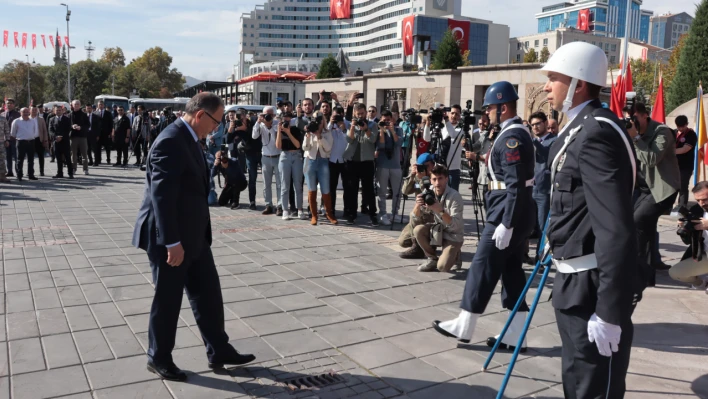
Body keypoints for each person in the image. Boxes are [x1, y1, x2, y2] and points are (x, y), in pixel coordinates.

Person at [132, 93, 256, 382]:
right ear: (200, 115)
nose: (219, 127)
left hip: (194, 234)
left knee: (208, 294)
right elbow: (162, 197)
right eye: (217, 120)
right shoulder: (171, 141)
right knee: (168, 299)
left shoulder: (189, 138)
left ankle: (219, 350)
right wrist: (171, 242)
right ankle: (158, 357)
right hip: (171, 239)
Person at [542, 42, 640, 398]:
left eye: (554, 77)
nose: (546, 86)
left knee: (593, 390)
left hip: (592, 287)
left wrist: (610, 310)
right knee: (577, 382)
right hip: (573, 284)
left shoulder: (596, 133)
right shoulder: (577, 130)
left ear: (578, 83)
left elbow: (615, 228)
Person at [432, 81, 535, 353]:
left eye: (490, 107)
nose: (486, 112)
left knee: (481, 265)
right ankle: (516, 335)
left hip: (506, 213)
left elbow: (514, 184)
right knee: (512, 274)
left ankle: (465, 324)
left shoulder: (513, 137)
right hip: (510, 211)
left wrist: (507, 223)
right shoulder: (510, 133)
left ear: (502, 107)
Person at [630, 102, 680, 286]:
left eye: (636, 118)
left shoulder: (662, 131)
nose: (633, 122)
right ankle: (647, 274)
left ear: (645, 115)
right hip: (643, 188)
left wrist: (635, 138)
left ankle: (638, 272)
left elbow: (651, 159)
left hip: (663, 189)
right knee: (645, 228)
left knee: (638, 221)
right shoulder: (632, 132)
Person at [410, 164, 464, 272]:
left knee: (443, 267)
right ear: (430, 180)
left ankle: (456, 254)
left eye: (440, 179)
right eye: (434, 179)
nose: (437, 183)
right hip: (437, 230)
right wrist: (418, 205)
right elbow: (415, 219)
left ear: (446, 179)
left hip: (452, 234)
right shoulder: (428, 193)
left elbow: (456, 225)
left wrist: (440, 210)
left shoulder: (455, 196)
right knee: (418, 230)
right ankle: (432, 258)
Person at [343, 103, 380, 225]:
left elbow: (373, 139)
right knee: (352, 189)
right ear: (354, 113)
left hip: (367, 162)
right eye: (358, 114)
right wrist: (353, 127)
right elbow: (349, 139)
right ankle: (352, 214)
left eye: (362, 114)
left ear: (365, 113)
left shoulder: (373, 125)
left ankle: (373, 214)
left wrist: (366, 129)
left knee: (368, 190)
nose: (360, 116)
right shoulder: (350, 124)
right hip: (352, 161)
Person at [669, 181, 708, 292]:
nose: (702, 203)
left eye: (705, 199)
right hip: (705, 254)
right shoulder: (697, 210)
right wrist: (685, 228)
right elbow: (688, 242)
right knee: (676, 272)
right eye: (698, 200)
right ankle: (702, 283)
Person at [303, 111, 337, 225]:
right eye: (315, 120)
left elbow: (328, 148)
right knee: (312, 189)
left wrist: (319, 136)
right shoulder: (309, 131)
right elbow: (305, 147)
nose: (318, 122)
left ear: (324, 121)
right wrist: (308, 135)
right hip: (310, 161)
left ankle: (329, 214)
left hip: (323, 162)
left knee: (326, 189)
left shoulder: (327, 133)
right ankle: (314, 215)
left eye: (320, 119)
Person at [398, 153, 436, 256]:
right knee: (403, 241)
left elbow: (429, 195)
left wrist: (423, 180)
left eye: (426, 166)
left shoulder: (437, 176)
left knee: (413, 215)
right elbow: (405, 191)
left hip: (432, 216)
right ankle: (422, 243)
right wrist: (412, 175)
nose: (423, 168)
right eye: (421, 166)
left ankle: (419, 248)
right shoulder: (418, 176)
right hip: (420, 213)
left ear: (433, 165)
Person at [423, 104, 464, 191]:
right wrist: (427, 124)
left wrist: (446, 119)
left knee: (452, 196)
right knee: (438, 196)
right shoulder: (441, 128)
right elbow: (426, 138)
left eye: (457, 114)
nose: (454, 116)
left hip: (453, 169)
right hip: (439, 167)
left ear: (460, 116)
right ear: (449, 114)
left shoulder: (460, 130)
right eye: (452, 113)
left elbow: (452, 134)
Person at [276, 112, 307, 220]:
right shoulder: (280, 130)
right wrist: (280, 131)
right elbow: (278, 146)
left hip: (296, 156)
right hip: (284, 156)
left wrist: (288, 132)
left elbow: (298, 145)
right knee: (284, 185)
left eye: (288, 120)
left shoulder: (295, 129)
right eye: (284, 120)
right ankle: (285, 209)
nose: (286, 122)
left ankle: (299, 209)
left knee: (298, 184)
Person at [376, 110, 404, 226]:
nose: (387, 122)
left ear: (392, 120)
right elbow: (381, 146)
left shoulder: (398, 129)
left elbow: (399, 144)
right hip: (382, 164)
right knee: (382, 191)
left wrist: (392, 131)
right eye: (384, 120)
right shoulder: (378, 131)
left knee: (397, 191)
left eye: (389, 120)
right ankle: (382, 213)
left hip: (396, 165)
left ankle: (395, 213)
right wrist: (382, 132)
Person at [253, 106, 282, 216]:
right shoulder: (260, 125)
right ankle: (268, 205)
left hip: (277, 156)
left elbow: (276, 141)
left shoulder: (277, 124)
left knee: (280, 184)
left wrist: (270, 125)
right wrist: (258, 122)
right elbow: (254, 136)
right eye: (265, 114)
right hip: (265, 157)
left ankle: (279, 205)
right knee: (266, 184)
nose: (267, 117)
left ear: (274, 115)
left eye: (269, 114)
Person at [328, 106, 350, 217]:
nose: (336, 117)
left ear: (342, 114)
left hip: (344, 160)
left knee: (347, 187)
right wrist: (331, 123)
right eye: (334, 115)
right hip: (332, 159)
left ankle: (347, 210)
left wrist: (344, 129)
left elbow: (349, 140)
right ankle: (331, 210)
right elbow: (326, 135)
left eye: (338, 115)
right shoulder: (330, 124)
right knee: (332, 187)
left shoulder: (347, 124)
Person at [10, 107, 39, 181]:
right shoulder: (16, 121)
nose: (26, 113)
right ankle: (19, 175)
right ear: (20, 113)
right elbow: (13, 133)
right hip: (21, 142)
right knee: (20, 159)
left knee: (31, 160)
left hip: (31, 142)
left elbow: (35, 132)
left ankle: (31, 175)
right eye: (24, 112)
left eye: (27, 111)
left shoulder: (33, 121)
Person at [674, 115, 697, 208]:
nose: (680, 128)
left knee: (682, 187)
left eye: (682, 126)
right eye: (678, 126)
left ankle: (682, 207)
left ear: (686, 124)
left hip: (685, 166)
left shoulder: (691, 134)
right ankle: (667, 207)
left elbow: (685, 149)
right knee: (672, 188)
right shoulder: (673, 132)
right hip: (673, 165)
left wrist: (669, 152)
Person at [50, 106, 74, 179]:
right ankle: (59, 173)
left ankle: (70, 173)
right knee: (58, 158)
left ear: (62, 111)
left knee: (68, 158)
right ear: (54, 111)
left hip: (65, 141)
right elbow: (50, 130)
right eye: (57, 110)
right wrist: (56, 137)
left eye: (60, 110)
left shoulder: (67, 119)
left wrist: (61, 137)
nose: (58, 111)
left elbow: (68, 129)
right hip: (56, 142)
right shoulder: (52, 119)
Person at [68, 100, 90, 175]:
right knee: (73, 154)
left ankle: (85, 169)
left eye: (78, 104)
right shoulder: (70, 115)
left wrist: (81, 127)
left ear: (80, 105)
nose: (76, 105)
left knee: (84, 154)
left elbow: (88, 125)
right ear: (72, 105)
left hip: (82, 136)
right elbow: (67, 125)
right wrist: (72, 126)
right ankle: (74, 168)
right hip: (73, 137)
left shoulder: (84, 115)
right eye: (75, 104)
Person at [2, 99, 21, 177]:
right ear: (5, 105)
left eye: (11, 103)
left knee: (16, 156)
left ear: (14, 105)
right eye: (7, 103)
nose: (9, 105)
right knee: (7, 156)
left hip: (14, 139)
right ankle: (9, 171)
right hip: (5, 139)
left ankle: (18, 172)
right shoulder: (2, 114)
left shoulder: (18, 114)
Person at [30, 106, 49, 177]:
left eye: (35, 110)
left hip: (39, 140)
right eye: (33, 110)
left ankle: (42, 171)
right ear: (30, 111)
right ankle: (30, 171)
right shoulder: (27, 119)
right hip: (30, 140)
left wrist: (45, 140)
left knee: (41, 156)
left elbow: (45, 131)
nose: (34, 111)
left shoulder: (41, 119)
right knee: (30, 157)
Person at [95, 101, 114, 165]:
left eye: (102, 104)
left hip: (106, 133)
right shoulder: (95, 113)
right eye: (99, 104)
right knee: (98, 147)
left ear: (104, 105)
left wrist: (111, 132)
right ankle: (98, 160)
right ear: (97, 105)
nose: (100, 106)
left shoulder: (108, 113)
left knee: (107, 147)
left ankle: (108, 159)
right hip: (98, 134)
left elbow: (111, 123)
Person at [0, 116, 8, 183]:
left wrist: (7, 140)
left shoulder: (3, 118)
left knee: (2, 159)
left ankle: (2, 176)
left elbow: (6, 130)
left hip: (1, 142)